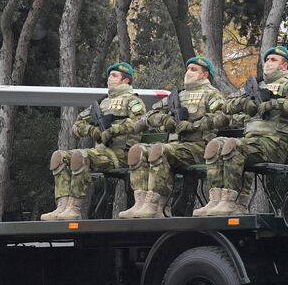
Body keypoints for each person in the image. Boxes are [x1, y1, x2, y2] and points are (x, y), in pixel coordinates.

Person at [196, 45, 288, 216]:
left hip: (276, 144)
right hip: (251, 142)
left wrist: (275, 103)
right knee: (215, 144)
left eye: (273, 60)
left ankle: (231, 201)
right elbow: (227, 105)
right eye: (266, 59)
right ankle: (216, 200)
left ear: (284, 65)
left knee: (232, 145)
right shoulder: (255, 85)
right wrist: (246, 103)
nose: (268, 63)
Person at [120, 56, 225, 218]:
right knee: (138, 150)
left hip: (199, 148)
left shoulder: (212, 95)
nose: (188, 72)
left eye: (194, 69)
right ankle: (141, 202)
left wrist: (192, 126)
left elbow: (221, 118)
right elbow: (150, 115)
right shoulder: (177, 97)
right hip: (175, 147)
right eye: (188, 69)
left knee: (160, 150)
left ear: (205, 75)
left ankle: (157, 206)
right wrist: (164, 119)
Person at [42, 62, 146, 221]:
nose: (109, 78)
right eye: (110, 75)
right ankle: (62, 206)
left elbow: (139, 122)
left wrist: (112, 131)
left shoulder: (133, 101)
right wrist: (93, 131)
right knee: (59, 157)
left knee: (79, 156)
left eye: (114, 75)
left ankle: (74, 208)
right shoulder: (102, 103)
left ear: (126, 80)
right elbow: (77, 125)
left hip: (122, 154)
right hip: (101, 152)